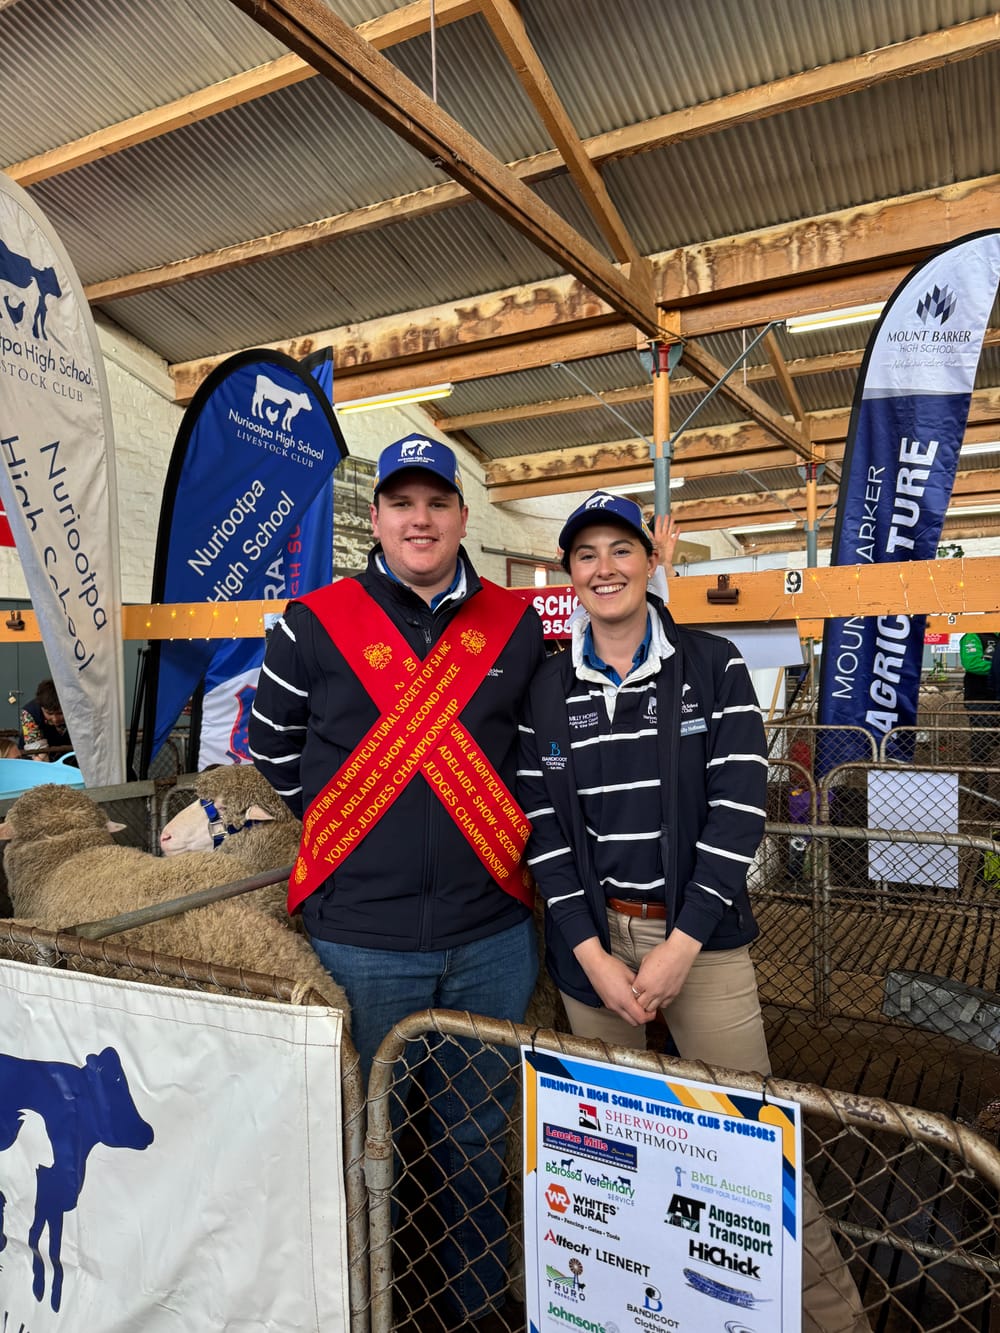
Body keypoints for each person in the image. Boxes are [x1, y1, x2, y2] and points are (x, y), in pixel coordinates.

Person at [517, 491, 870, 1333]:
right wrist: (595, 956)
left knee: (753, 1142)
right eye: (587, 554)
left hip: (701, 944)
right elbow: (544, 836)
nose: (605, 567)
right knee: (603, 1152)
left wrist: (679, 945)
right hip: (591, 950)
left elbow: (739, 809)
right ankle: (639, 1311)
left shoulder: (710, 664)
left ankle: (834, 1317)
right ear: (570, 575)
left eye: (621, 549)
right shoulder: (545, 690)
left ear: (650, 559)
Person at [248, 434, 544, 1332]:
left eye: (438, 503)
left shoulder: (516, 625)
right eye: (402, 503)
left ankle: (475, 1305)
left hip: (492, 930)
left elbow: (533, 754)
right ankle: (349, 1303)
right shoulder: (313, 620)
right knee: (352, 1143)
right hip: (359, 934)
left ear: (462, 518)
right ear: (375, 518)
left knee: (474, 1140)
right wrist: (357, 821)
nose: (420, 519)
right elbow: (270, 747)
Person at [959, 630, 999, 790]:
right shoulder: (974, 635)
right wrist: (996, 669)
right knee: (981, 740)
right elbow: (972, 663)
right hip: (980, 698)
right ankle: (980, 787)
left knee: (987, 739)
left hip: (995, 695)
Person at [17, 679, 73, 761]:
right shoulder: (29, 714)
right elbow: (39, 757)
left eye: (60, 713)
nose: (55, 719)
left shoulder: (77, 709)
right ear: (41, 707)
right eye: (49, 713)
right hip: (37, 758)